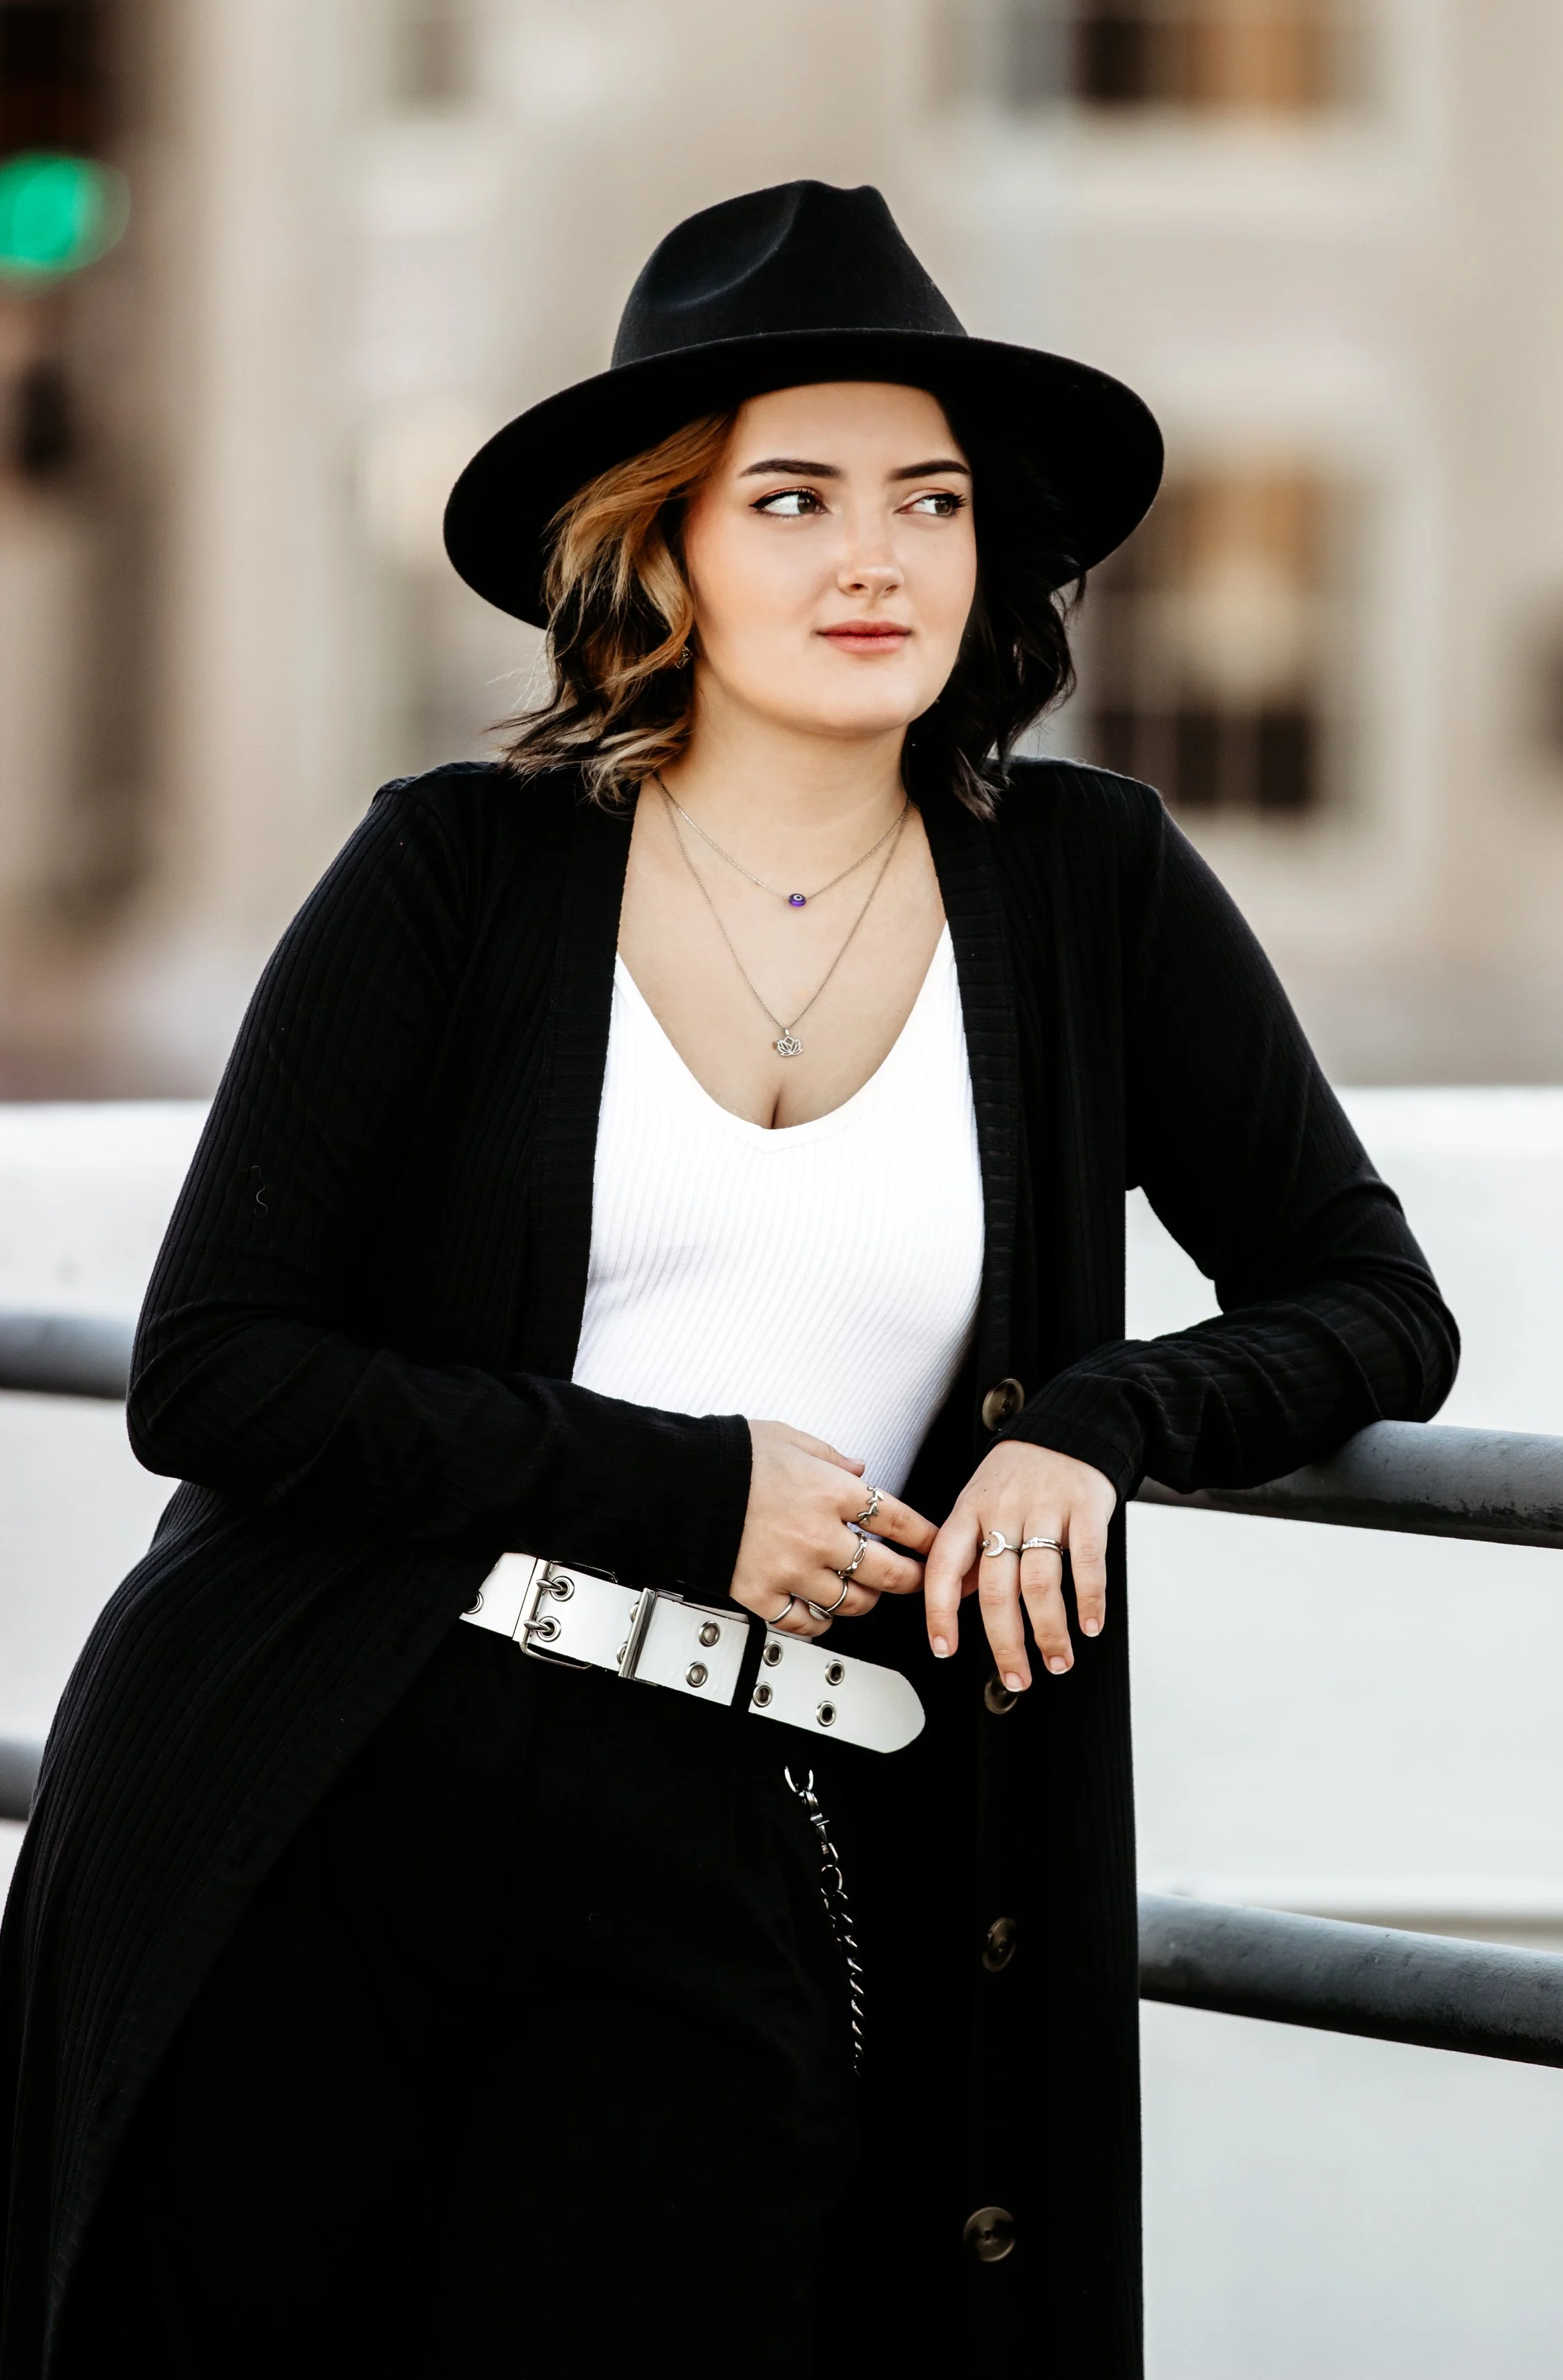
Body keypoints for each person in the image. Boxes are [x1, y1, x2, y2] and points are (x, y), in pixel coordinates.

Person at [0, 181, 1457, 2380]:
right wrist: (683, 1490)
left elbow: (1365, 1298)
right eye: (791, 498)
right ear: (657, 550)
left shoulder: (1087, 891)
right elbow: (216, 1370)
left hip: (751, 1823)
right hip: (321, 1773)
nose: (873, 557)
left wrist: (1093, 1419)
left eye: (930, 500)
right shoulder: (454, 868)